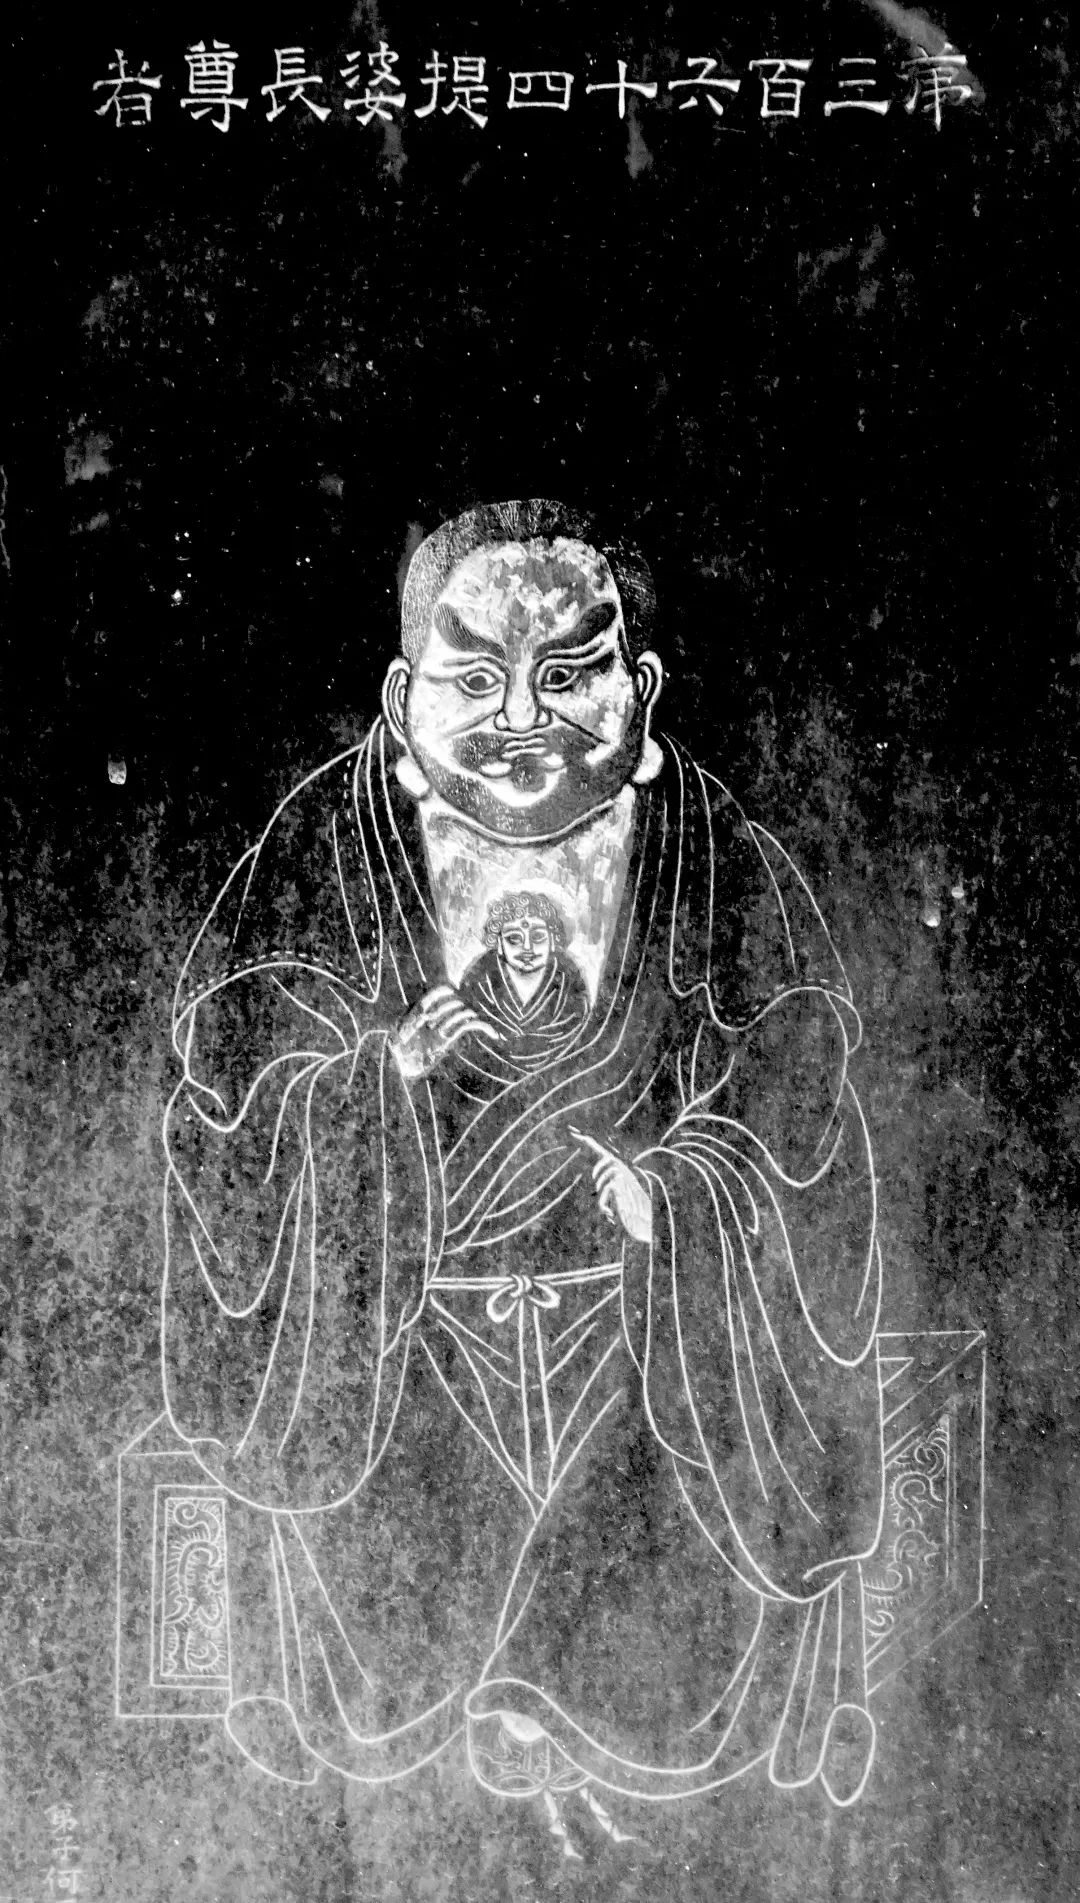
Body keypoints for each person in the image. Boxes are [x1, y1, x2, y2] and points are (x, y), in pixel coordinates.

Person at [161, 499, 884, 1833]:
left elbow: (800, 1110)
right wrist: (372, 1094)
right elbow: (231, 1102)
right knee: (392, 1533)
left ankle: (602, 1715)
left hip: (650, 1327)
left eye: (567, 675)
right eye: (475, 677)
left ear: (642, 687)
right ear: (400, 697)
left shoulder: (711, 855)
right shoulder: (327, 851)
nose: (521, 718)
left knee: (661, 1489)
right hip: (397, 1333)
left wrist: (681, 1194)